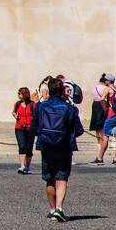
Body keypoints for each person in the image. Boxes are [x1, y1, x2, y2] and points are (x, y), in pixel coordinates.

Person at [31, 77, 85, 222]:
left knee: (49, 179)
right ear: (62, 90)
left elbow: (34, 128)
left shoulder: (40, 107)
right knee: (61, 177)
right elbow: (79, 130)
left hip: (46, 146)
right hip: (64, 146)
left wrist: (44, 135)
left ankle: (52, 208)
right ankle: (60, 208)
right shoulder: (70, 108)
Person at [90, 73, 115, 163]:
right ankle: (115, 157)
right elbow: (103, 99)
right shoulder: (110, 88)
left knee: (98, 127)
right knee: (104, 127)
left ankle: (99, 144)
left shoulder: (95, 87)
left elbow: (98, 98)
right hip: (104, 107)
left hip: (96, 105)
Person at [13, 87, 35, 174]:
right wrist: (15, 116)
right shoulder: (17, 104)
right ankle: (22, 166)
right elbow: (13, 112)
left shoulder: (32, 104)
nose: (18, 95)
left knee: (29, 149)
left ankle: (27, 167)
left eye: (20, 94)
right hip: (19, 128)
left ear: (24, 94)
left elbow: (36, 115)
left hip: (30, 129)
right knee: (22, 147)